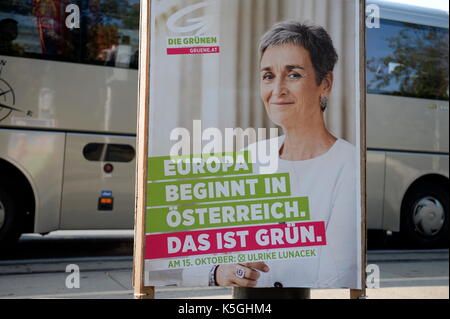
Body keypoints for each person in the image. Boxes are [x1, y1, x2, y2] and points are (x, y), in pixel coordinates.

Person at [181, 21, 358, 288]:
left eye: (293, 74)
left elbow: (336, 278)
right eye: (268, 76)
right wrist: (219, 271)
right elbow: (190, 256)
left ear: (326, 83)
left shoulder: (350, 164)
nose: (277, 90)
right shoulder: (250, 158)